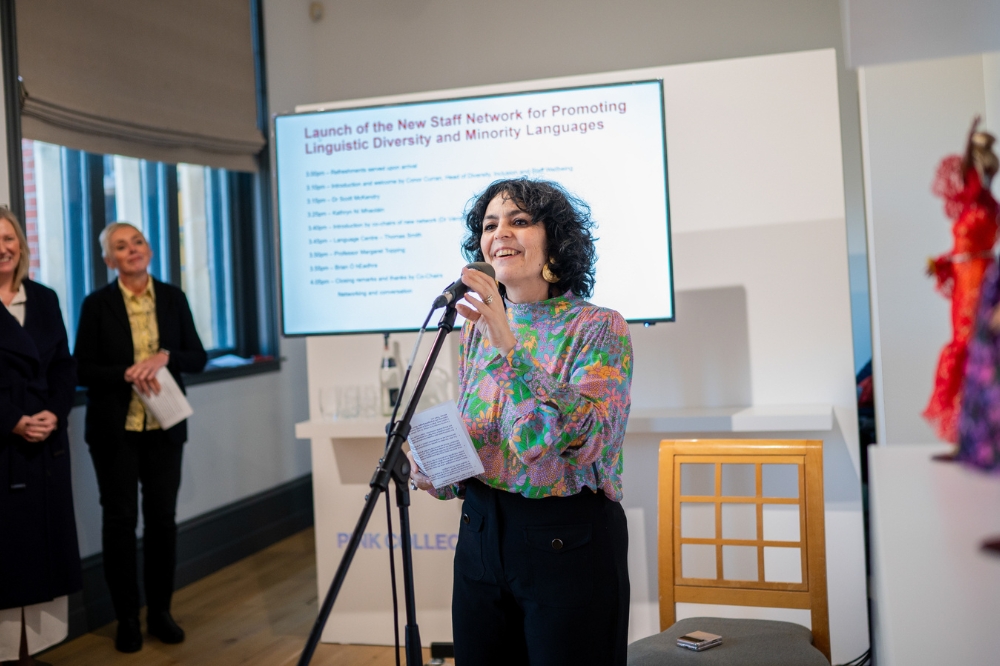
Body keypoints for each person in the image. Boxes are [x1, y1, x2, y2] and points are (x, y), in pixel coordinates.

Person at [408, 179, 633, 665]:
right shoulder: (475, 329)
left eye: (519, 221)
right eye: (490, 225)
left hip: (566, 541)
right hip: (482, 532)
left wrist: (509, 345)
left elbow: (563, 441)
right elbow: (486, 435)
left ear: (556, 239)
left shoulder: (598, 326)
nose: (500, 233)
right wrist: (439, 468)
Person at [74, 222, 206, 653]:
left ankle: (161, 613)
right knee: (119, 522)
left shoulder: (173, 297)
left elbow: (198, 358)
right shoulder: (96, 304)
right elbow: (81, 370)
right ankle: (127, 618)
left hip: (165, 429)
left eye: (138, 242)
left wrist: (166, 356)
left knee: (162, 522)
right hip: (115, 430)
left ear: (148, 249)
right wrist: (126, 373)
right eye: (120, 247)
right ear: (109, 260)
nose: (132, 250)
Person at [0, 208, 81, 665]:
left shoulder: (45, 298)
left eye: (8, 238)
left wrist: (55, 411)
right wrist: (11, 419)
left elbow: (64, 366)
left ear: (21, 245)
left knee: (43, 555)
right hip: (4, 446)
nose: (2, 249)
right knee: (7, 558)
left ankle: (32, 652)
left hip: (46, 447)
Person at [924, 117, 1000, 444]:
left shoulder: (989, 208)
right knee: (964, 347)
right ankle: (966, 434)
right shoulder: (971, 206)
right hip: (965, 284)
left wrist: (972, 141)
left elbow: (976, 250)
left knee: (975, 350)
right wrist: (941, 263)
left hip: (980, 285)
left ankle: (978, 434)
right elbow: (961, 250)